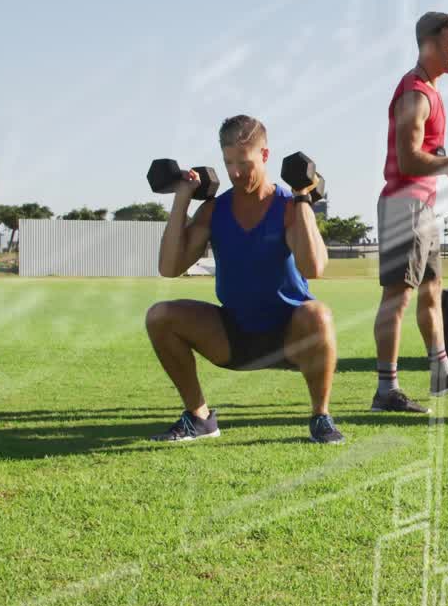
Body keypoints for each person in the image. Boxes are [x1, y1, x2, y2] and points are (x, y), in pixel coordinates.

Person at [145, 115, 344, 444]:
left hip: (291, 337)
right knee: (160, 316)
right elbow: (169, 267)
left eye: (244, 162)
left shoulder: (287, 206)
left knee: (318, 314)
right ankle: (200, 417)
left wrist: (303, 199)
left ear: (264, 155)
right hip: (234, 335)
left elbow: (314, 268)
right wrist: (182, 197)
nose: (235, 173)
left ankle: (320, 417)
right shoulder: (214, 211)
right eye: (228, 163)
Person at [371, 12, 448, 413]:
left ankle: (441, 372)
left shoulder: (431, 92)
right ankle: (386, 391)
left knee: (431, 291)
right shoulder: (416, 93)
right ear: (428, 45)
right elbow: (407, 160)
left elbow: (427, 155)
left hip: (422, 206)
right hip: (403, 205)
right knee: (397, 299)